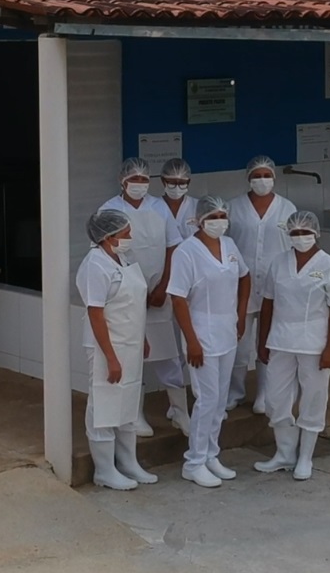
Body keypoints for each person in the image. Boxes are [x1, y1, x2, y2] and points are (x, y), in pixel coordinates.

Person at [99, 158, 190, 436]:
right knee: (132, 353)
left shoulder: (158, 206)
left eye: (143, 179)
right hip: (126, 294)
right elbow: (107, 252)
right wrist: (133, 289)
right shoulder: (110, 210)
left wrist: (164, 286)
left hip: (158, 293)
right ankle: (133, 414)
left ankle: (179, 410)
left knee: (168, 353)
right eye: (134, 179)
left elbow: (173, 247)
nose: (139, 184)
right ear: (122, 181)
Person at [254, 211, 330, 481]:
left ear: (316, 233)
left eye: (305, 233)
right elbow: (268, 302)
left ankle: (305, 456)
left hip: (314, 342)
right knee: (276, 398)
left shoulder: (329, 265)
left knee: (314, 398)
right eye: (295, 233)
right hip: (280, 340)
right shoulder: (279, 262)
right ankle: (284, 454)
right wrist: (262, 341)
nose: (300, 237)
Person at [167, 195, 250, 488]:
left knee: (221, 399)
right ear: (200, 220)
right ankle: (194, 460)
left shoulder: (229, 245)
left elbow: (245, 276)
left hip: (227, 331)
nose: (219, 222)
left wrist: (240, 315)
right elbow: (177, 298)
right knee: (206, 398)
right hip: (200, 332)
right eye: (212, 217)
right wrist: (191, 341)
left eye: (222, 216)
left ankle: (212, 453)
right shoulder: (186, 252)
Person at [76, 209, 158, 490]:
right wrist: (110, 357)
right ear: (108, 237)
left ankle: (128, 462)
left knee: (128, 402)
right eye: (125, 234)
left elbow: (132, 306)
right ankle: (105, 469)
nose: (130, 238)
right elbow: (96, 314)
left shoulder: (121, 259)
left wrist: (142, 337)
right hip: (106, 346)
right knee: (105, 402)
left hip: (130, 342)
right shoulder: (94, 266)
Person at [225, 155, 296, 412]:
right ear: (248, 178)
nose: (262, 180)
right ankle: (235, 393)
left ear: (274, 177)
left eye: (267, 175)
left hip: (274, 289)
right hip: (240, 288)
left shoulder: (287, 208)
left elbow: (294, 246)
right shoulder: (233, 208)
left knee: (268, 343)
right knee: (239, 345)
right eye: (257, 176)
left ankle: (265, 394)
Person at [159, 157, 199, 241]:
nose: (177, 187)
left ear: (188, 182)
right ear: (163, 181)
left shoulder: (198, 206)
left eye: (182, 183)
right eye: (172, 183)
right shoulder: (155, 207)